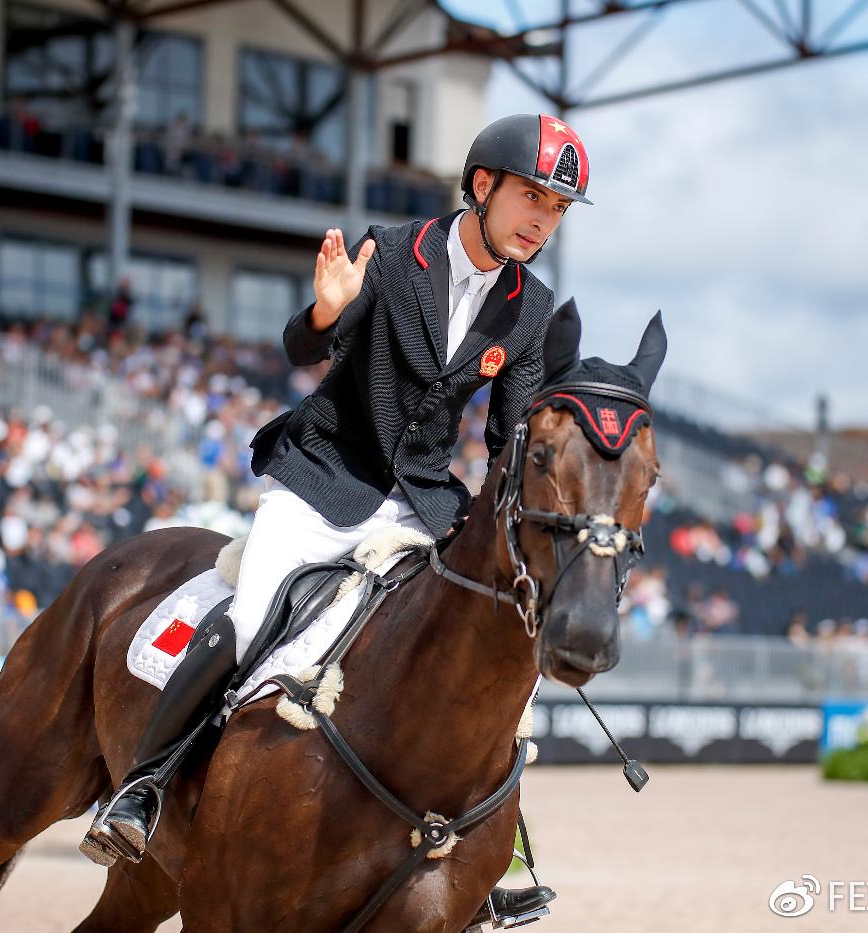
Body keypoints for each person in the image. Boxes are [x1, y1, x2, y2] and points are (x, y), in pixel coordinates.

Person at [82, 113, 592, 915]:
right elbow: (300, 346)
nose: (542, 219)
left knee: (497, 664)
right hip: (326, 477)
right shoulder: (391, 254)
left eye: (557, 209)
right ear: (484, 184)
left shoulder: (532, 309)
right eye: (533, 195)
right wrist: (325, 313)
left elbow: (507, 441)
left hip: (424, 501)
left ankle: (493, 852)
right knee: (255, 617)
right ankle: (143, 789)